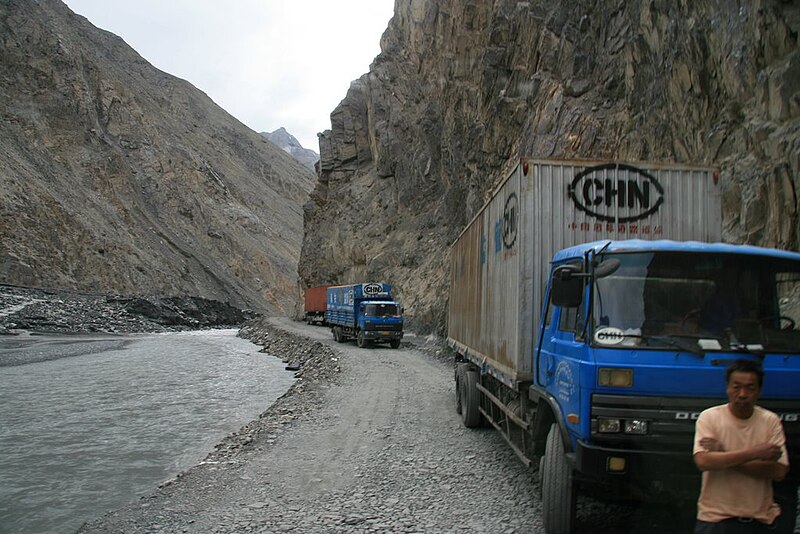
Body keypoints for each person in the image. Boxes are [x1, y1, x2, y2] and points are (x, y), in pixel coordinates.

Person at [693, 359, 790, 533]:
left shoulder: (770, 421)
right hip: (715, 520)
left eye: (750, 388)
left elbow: (778, 472)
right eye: (736, 387)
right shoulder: (709, 417)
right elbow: (703, 462)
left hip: (759, 521)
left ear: (759, 391)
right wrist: (756, 453)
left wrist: (723, 454)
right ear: (727, 388)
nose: (742, 394)